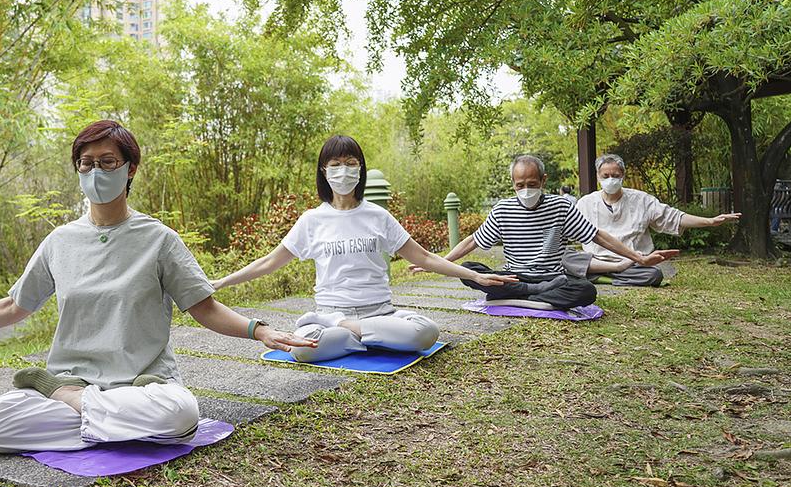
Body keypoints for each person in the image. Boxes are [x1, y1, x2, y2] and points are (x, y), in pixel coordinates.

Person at [0, 120, 314, 453]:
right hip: (74, 378)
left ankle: (77, 406)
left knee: (181, 414)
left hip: (143, 385)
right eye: (86, 163)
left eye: (107, 162)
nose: (95, 170)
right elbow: (13, 307)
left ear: (130, 169)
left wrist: (260, 330)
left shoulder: (158, 239)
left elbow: (204, 308)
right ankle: (92, 411)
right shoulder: (60, 241)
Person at [211, 135, 519, 363]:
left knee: (425, 332)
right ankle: (365, 334)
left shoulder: (378, 216)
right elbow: (269, 262)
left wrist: (476, 277)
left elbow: (422, 256)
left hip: (380, 311)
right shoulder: (312, 220)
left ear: (361, 169)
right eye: (336, 165)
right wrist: (223, 282)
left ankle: (348, 332)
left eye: (351, 164)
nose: (343, 171)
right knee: (300, 350)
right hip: (333, 311)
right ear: (324, 171)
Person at [418, 155, 678, 309]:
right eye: (520, 185)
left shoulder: (561, 206)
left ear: (543, 181)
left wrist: (639, 258)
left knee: (586, 291)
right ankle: (533, 294)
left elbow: (596, 235)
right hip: (515, 276)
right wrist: (437, 263)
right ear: (513, 185)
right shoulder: (503, 209)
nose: (526, 189)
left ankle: (522, 296)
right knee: (472, 270)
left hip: (553, 277)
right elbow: (473, 241)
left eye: (532, 183)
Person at [563, 153, 741, 286]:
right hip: (596, 261)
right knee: (565, 258)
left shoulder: (641, 200)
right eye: (606, 176)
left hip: (633, 263)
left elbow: (673, 217)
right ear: (598, 177)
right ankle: (607, 273)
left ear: (623, 175)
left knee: (654, 274)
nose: (611, 180)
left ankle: (600, 276)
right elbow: (567, 231)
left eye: (616, 176)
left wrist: (710, 221)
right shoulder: (585, 202)